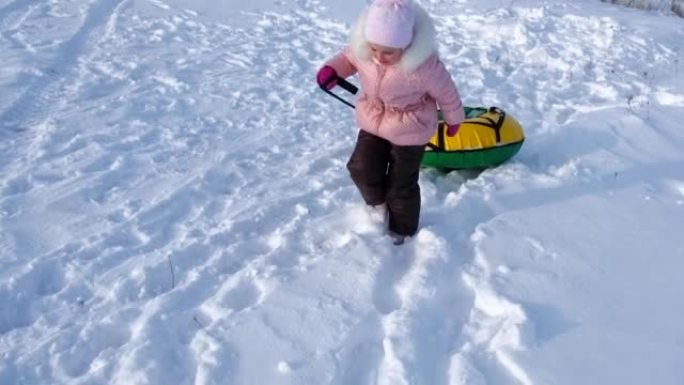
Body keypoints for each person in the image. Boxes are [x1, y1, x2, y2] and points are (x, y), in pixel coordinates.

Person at [316, 0, 465, 245]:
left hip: (411, 127)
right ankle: (377, 206)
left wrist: (454, 119)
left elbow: (447, 93)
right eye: (374, 49)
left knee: (401, 185)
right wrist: (332, 70)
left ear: (406, 45)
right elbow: (347, 59)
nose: (379, 57)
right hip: (374, 120)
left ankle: (403, 233)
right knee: (361, 167)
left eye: (388, 52)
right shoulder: (364, 50)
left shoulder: (424, 66)